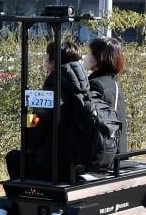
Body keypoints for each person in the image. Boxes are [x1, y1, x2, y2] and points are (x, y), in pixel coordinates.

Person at [5, 40, 86, 182]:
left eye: (47, 55)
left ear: (53, 62)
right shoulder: (81, 89)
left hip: (50, 163)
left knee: (13, 157)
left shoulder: (51, 91)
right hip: (75, 160)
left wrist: (27, 120)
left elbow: (35, 129)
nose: (44, 59)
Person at [85, 37, 129, 158]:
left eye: (90, 53)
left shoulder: (96, 85)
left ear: (99, 58)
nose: (86, 56)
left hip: (103, 156)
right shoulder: (112, 84)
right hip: (117, 151)